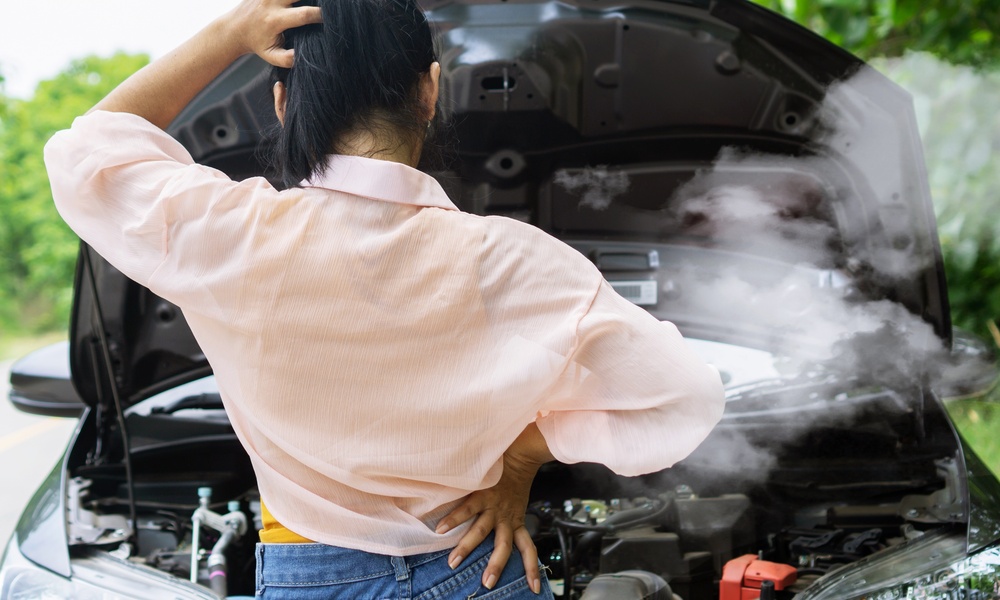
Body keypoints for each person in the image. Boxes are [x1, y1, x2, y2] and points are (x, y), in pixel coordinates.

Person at [43, 0, 726, 597]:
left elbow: (84, 154)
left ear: (282, 103)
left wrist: (230, 31)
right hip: (479, 570)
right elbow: (686, 397)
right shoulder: (511, 259)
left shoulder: (229, 236)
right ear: (431, 92)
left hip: (305, 578)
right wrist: (522, 457)